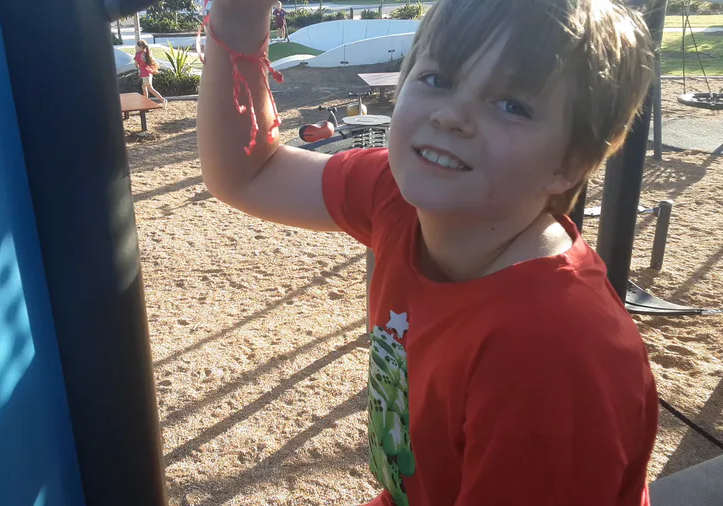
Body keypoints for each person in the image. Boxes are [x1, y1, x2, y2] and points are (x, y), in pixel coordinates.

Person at [197, 0, 659, 505]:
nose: (452, 115)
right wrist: (240, 14)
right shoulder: (395, 196)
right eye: (437, 79)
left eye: (513, 105)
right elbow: (249, 174)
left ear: (570, 163)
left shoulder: (553, 351)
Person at [134, 40, 167, 107]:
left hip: (145, 74)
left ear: (140, 47)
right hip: (148, 72)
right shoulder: (147, 53)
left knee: (150, 89)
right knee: (144, 87)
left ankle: (163, 100)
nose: (136, 47)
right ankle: (145, 101)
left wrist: (138, 66)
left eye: (137, 46)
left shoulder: (138, 54)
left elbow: (136, 64)